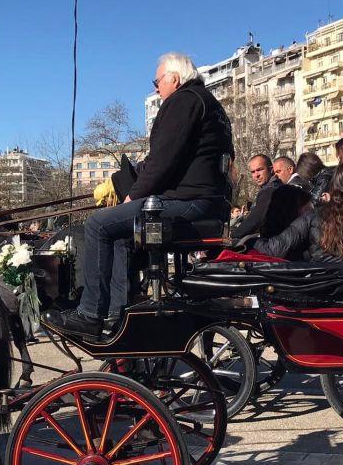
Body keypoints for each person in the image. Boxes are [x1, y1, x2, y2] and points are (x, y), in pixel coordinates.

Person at [46, 52, 233, 337]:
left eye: (157, 80)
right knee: (120, 233)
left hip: (190, 202)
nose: (156, 87)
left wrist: (134, 195)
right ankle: (115, 314)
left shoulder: (183, 101)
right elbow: (176, 159)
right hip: (209, 202)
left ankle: (89, 314)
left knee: (99, 224)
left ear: (174, 78)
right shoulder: (209, 104)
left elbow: (163, 160)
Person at [253, 158, 343, 296]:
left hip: (317, 300)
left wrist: (244, 241)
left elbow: (274, 249)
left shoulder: (312, 217)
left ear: (336, 185)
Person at [230, 154, 282, 239]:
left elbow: (255, 220)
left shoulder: (270, 190)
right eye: (253, 172)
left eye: (260, 170)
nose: (256, 175)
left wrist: (232, 236)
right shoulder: (273, 187)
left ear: (271, 169)